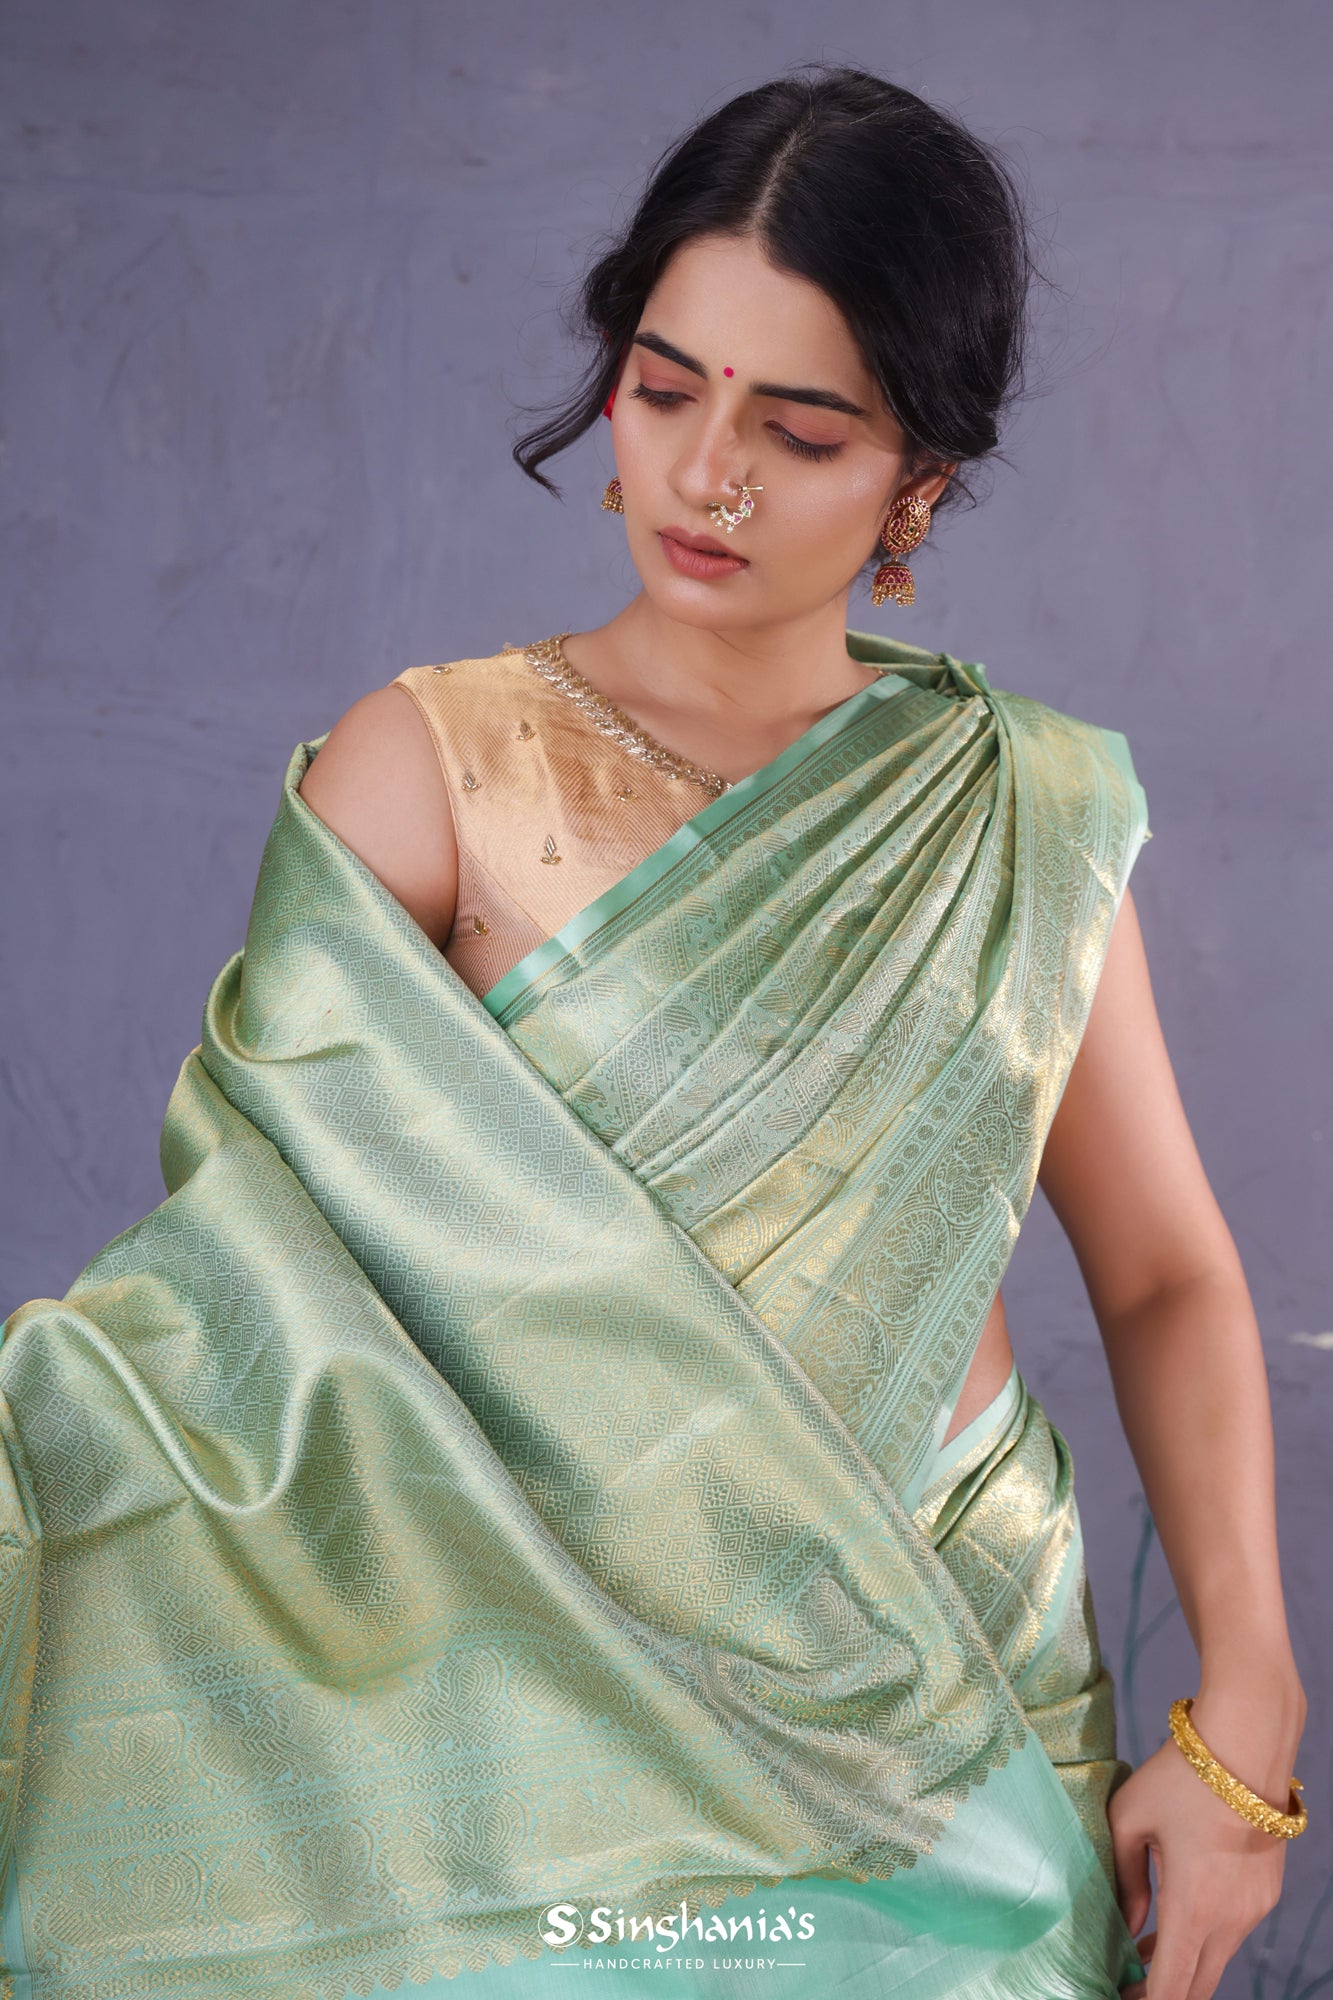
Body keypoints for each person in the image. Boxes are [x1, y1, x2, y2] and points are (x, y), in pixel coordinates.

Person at [0, 63, 1307, 2000]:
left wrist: (1249, 1700)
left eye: (798, 428)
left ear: (919, 477)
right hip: (504, 1734)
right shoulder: (431, 771)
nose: (707, 476)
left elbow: (1166, 1275)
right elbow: (242, 1326)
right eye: (665, 387)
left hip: (935, 1717)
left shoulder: (1013, 815)